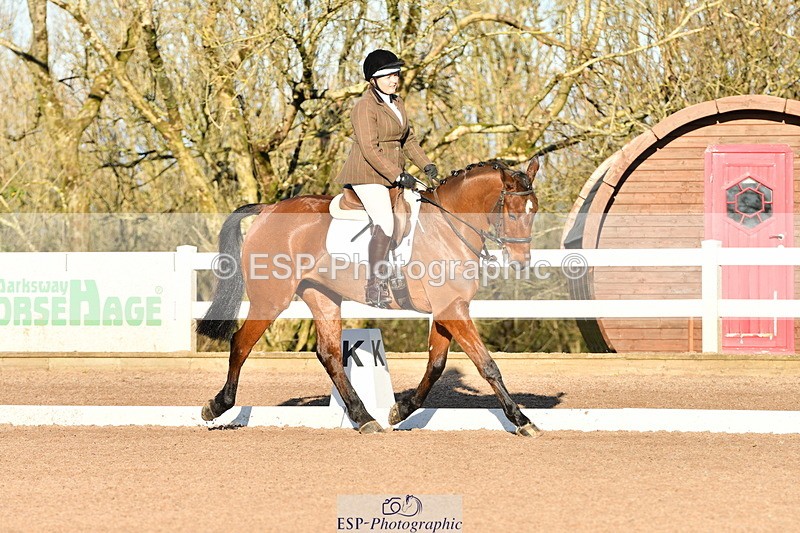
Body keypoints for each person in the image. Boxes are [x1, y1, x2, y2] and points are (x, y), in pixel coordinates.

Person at [335, 49, 438, 307]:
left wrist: (427, 165)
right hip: (368, 174)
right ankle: (375, 284)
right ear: (374, 79)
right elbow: (369, 148)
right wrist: (398, 175)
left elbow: (408, 140)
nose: (394, 80)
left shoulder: (397, 102)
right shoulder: (364, 108)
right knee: (385, 221)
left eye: (396, 74)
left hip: (393, 173)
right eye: (388, 76)